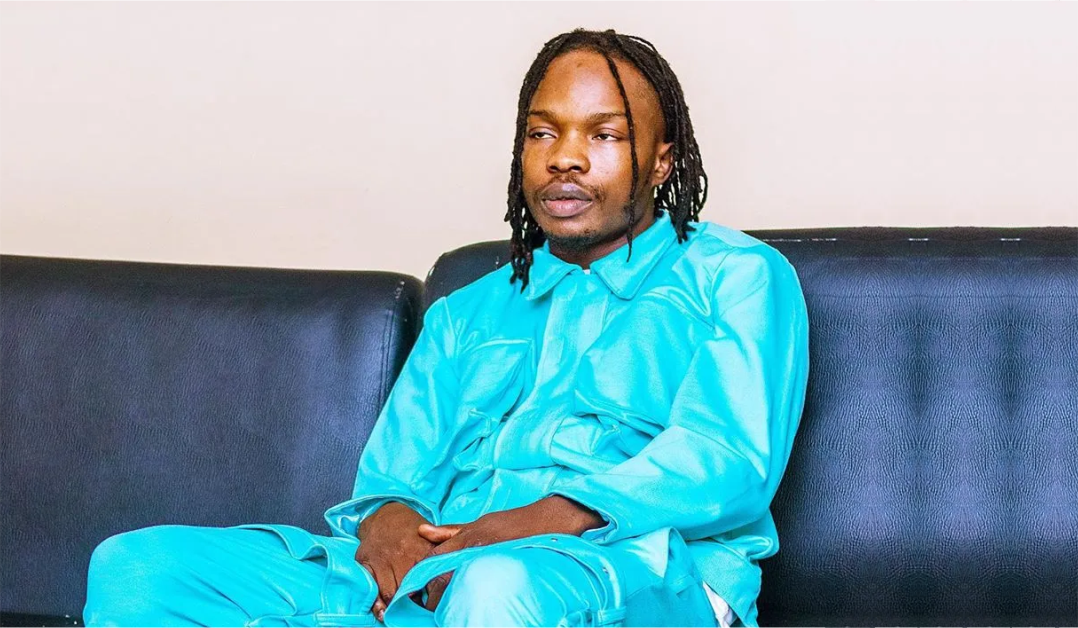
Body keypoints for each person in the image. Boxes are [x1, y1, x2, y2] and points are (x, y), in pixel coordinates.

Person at [83, 28, 809, 628]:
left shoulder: (737, 276)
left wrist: (534, 522)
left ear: (661, 163)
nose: (565, 156)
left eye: (605, 134)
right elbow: (391, 481)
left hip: (638, 572)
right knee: (139, 569)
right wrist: (392, 529)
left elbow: (727, 459)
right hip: (447, 570)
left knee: (496, 588)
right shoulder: (467, 311)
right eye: (542, 132)